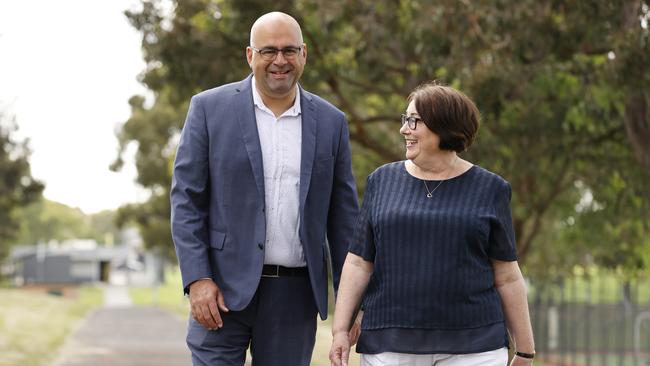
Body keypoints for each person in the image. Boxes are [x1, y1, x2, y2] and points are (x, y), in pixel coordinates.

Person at [171, 11, 359, 366]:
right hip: (220, 293)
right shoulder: (208, 109)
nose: (279, 60)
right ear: (250, 55)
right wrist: (197, 278)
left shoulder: (332, 122)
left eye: (289, 50)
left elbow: (343, 220)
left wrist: (351, 306)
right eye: (268, 51)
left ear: (304, 54)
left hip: (295, 295)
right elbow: (187, 201)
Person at [329, 82, 535, 366]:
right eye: (405, 119)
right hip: (390, 344)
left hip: (474, 347)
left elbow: (507, 274)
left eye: (414, 121)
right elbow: (358, 263)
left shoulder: (491, 188)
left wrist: (524, 349)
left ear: (444, 127)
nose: (404, 129)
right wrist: (340, 329)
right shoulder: (381, 181)